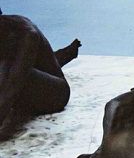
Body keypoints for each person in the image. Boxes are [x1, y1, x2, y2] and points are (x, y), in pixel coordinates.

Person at [0, 10, 80, 141]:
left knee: (11, 69)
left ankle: (61, 57)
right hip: (28, 81)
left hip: (56, 95)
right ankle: (62, 56)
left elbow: (12, 84)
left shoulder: (26, 33)